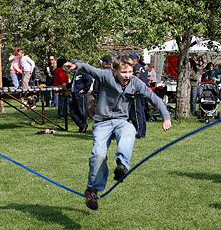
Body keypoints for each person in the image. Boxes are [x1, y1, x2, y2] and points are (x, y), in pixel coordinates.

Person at [64, 55, 171, 210]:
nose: (127, 75)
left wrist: (166, 117)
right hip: (102, 122)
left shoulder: (135, 83)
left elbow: (153, 98)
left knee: (130, 130)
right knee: (98, 155)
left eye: (129, 71)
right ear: (114, 71)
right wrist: (76, 64)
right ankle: (92, 190)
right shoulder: (106, 76)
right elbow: (90, 69)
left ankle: (122, 165)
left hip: (121, 121)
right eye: (123, 72)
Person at [131, 53, 150, 138]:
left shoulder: (136, 68)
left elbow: (137, 80)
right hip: (144, 91)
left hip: (138, 92)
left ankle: (139, 132)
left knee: (137, 112)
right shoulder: (142, 67)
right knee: (141, 111)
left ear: (135, 60)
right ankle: (142, 131)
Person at [70, 67, 93, 133]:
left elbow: (89, 80)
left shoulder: (82, 72)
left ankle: (82, 127)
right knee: (72, 112)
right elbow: (73, 84)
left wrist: (84, 89)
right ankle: (82, 125)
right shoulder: (75, 73)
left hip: (81, 96)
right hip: (74, 95)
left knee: (81, 112)